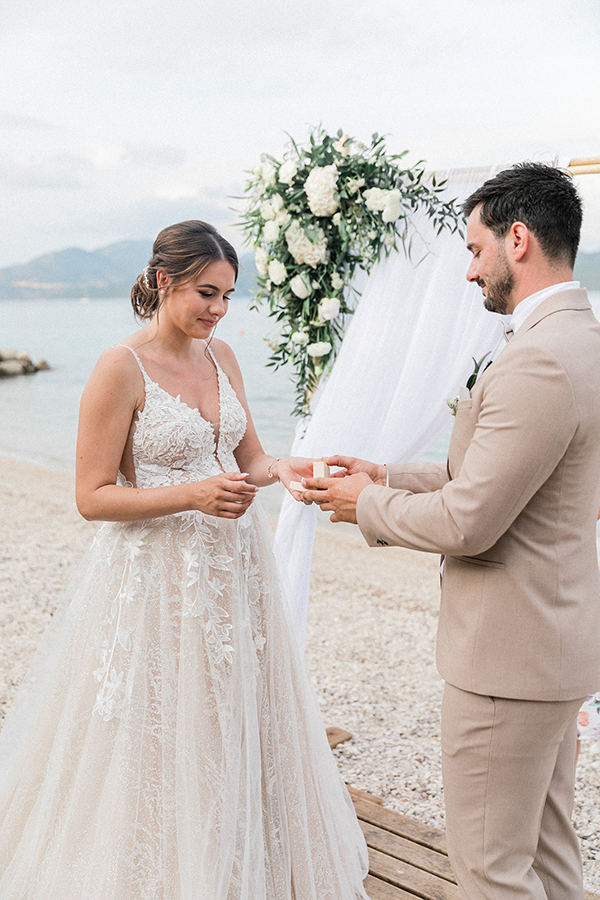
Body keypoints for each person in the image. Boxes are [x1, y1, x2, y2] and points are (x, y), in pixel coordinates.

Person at [0, 220, 368, 900]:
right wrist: (192, 495)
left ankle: (242, 854)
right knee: (163, 724)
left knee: (232, 710)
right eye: (207, 293)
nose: (219, 310)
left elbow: (248, 458)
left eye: (228, 295)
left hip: (235, 568)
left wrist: (282, 469)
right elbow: (91, 496)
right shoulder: (120, 367)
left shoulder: (222, 356)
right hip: (157, 580)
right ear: (163, 280)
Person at [303, 164, 600, 899]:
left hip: (507, 658)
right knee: (550, 856)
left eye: (475, 249)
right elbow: (509, 483)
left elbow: (470, 521)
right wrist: (386, 474)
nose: (469, 271)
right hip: (552, 646)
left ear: (519, 239)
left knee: (492, 871)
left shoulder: (537, 361)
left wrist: (360, 506)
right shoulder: (581, 342)